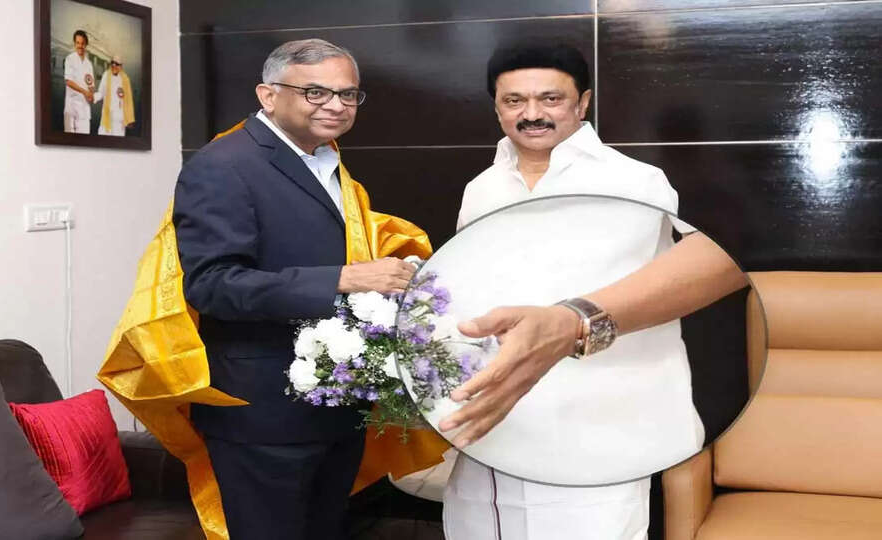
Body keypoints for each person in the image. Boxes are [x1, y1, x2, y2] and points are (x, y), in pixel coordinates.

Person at [437, 42, 748, 540]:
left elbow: (728, 259)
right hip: (495, 427)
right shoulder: (481, 188)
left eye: (550, 99)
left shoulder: (639, 179)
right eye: (514, 101)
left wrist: (575, 320)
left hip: (601, 430)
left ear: (582, 103)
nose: (531, 114)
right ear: (496, 107)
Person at [172, 39, 418, 540]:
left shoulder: (326, 160)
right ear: (268, 95)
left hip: (335, 401)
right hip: (263, 411)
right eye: (315, 92)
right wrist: (343, 279)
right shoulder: (223, 164)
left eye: (348, 95)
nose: (336, 105)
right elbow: (213, 285)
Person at [94, 54, 135, 136]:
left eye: (117, 64)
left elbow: (128, 100)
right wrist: (93, 97)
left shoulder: (125, 79)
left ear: (121, 66)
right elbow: (101, 93)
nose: (114, 65)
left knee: (117, 142)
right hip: (107, 116)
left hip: (119, 119)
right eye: (112, 62)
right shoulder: (106, 75)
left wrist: (130, 119)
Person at [63, 30, 94, 134]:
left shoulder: (89, 64)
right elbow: (68, 81)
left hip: (84, 109)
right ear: (74, 43)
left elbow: (91, 84)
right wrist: (84, 92)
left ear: (86, 45)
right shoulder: (70, 59)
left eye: (83, 43)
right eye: (78, 43)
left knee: (85, 140)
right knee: (69, 141)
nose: (80, 46)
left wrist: (91, 94)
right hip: (71, 107)